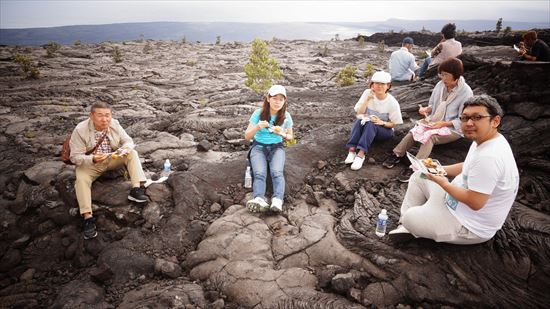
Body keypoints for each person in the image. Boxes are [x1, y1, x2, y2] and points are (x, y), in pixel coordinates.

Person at [388, 95, 519, 245]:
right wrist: (437, 169)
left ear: (495, 121)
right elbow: (468, 165)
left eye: (477, 117)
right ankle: (407, 227)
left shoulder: (489, 157)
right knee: (420, 175)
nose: (469, 123)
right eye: (465, 118)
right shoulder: (488, 140)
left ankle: (411, 223)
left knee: (410, 217)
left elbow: (475, 202)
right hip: (453, 202)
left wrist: (444, 184)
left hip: (469, 224)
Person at [383, 58, 473, 182]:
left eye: (446, 74)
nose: (442, 78)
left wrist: (443, 123)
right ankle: (397, 154)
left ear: (456, 75)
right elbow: (432, 105)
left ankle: (415, 168)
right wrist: (426, 109)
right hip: (435, 121)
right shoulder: (440, 85)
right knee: (415, 130)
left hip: (453, 127)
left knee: (430, 137)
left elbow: (464, 119)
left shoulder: (466, 92)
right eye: (441, 74)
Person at [70, 102, 147, 239]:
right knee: (81, 181)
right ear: (91, 116)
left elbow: (128, 140)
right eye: (100, 115)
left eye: (107, 115)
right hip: (90, 164)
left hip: (111, 159)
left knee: (132, 153)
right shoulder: (80, 130)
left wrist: (124, 149)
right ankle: (88, 218)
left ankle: (136, 189)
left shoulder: (115, 124)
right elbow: (74, 157)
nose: (104, 119)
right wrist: (93, 159)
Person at [244, 85, 294, 213]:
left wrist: (282, 134)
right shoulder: (258, 113)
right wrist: (257, 127)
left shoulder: (286, 116)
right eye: (275, 98)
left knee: (277, 173)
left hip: (277, 148)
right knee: (259, 173)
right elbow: (247, 136)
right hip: (258, 147)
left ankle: (277, 200)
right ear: (268, 98)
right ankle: (259, 199)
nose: (278, 102)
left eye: (281, 99)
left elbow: (290, 137)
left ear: (284, 101)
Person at [344, 71, 403, 171]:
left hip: (384, 131)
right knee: (360, 119)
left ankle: (361, 154)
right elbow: (359, 113)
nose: (379, 86)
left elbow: (393, 124)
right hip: (367, 126)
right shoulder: (367, 93)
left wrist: (382, 122)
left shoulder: (392, 102)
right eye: (376, 83)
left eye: (383, 84)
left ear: (388, 86)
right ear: (372, 85)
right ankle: (352, 150)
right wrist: (367, 100)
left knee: (371, 123)